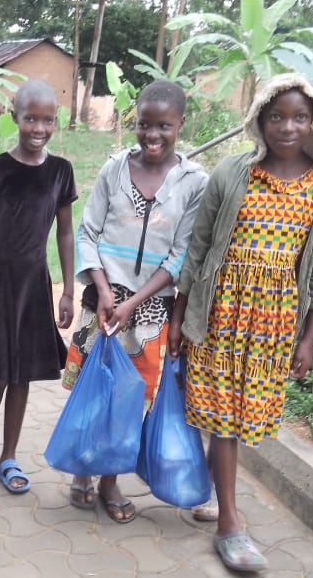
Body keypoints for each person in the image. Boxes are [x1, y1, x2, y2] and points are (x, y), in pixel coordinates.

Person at [169, 73, 313, 572]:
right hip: (221, 309)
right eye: (277, 116)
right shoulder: (232, 173)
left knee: (243, 415)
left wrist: (309, 338)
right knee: (223, 417)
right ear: (259, 121)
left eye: (299, 117)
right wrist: (181, 317)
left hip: (275, 319)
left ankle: (208, 493)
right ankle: (231, 522)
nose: (287, 127)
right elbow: (198, 248)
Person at [64, 80, 208, 522]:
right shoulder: (114, 169)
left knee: (132, 396)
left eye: (164, 126)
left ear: (181, 124)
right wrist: (107, 292)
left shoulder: (194, 182)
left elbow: (181, 254)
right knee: (92, 387)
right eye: (144, 125)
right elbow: (88, 232)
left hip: (148, 310)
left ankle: (110, 481)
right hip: (102, 299)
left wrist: (133, 302)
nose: (152, 135)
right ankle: (83, 468)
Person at [0, 79, 76, 493]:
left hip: (32, 285)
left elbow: (64, 233)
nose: (38, 128)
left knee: (22, 373)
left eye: (47, 120)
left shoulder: (61, 171)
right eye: (30, 119)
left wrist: (67, 291)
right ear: (14, 118)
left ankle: (9, 456)